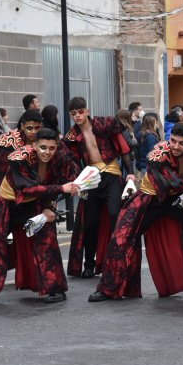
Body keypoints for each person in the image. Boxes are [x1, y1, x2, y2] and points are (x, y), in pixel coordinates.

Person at [88, 123, 183, 303]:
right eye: (173, 141)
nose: (176, 147)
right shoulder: (158, 154)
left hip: (180, 197)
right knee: (120, 238)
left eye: (182, 143)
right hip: (151, 198)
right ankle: (107, 288)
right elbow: (175, 183)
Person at [0, 129, 81, 303]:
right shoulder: (20, 158)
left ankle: (55, 288)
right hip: (7, 204)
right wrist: (61, 189)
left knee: (47, 241)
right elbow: (27, 189)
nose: (47, 152)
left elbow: (73, 181)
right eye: (43, 147)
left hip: (35, 204)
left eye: (51, 148)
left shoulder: (60, 158)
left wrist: (52, 205)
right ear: (34, 145)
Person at [64, 97, 135, 278]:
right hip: (90, 178)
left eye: (80, 112)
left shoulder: (104, 124)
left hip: (111, 173)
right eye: (73, 114)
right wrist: (77, 181)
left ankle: (114, 260)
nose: (77, 116)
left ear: (87, 111)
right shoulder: (72, 136)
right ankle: (89, 264)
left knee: (114, 214)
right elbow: (71, 162)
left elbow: (123, 147)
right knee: (90, 223)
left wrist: (130, 173)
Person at [0, 109, 43, 187]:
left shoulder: (44, 140)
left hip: (38, 187)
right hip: (11, 189)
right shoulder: (10, 143)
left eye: (37, 128)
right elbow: (3, 172)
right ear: (22, 126)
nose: (34, 132)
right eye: (30, 128)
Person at [116, 109, 138, 178]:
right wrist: (134, 140)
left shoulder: (126, 127)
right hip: (126, 157)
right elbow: (128, 142)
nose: (134, 118)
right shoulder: (124, 129)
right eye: (132, 116)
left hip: (128, 156)